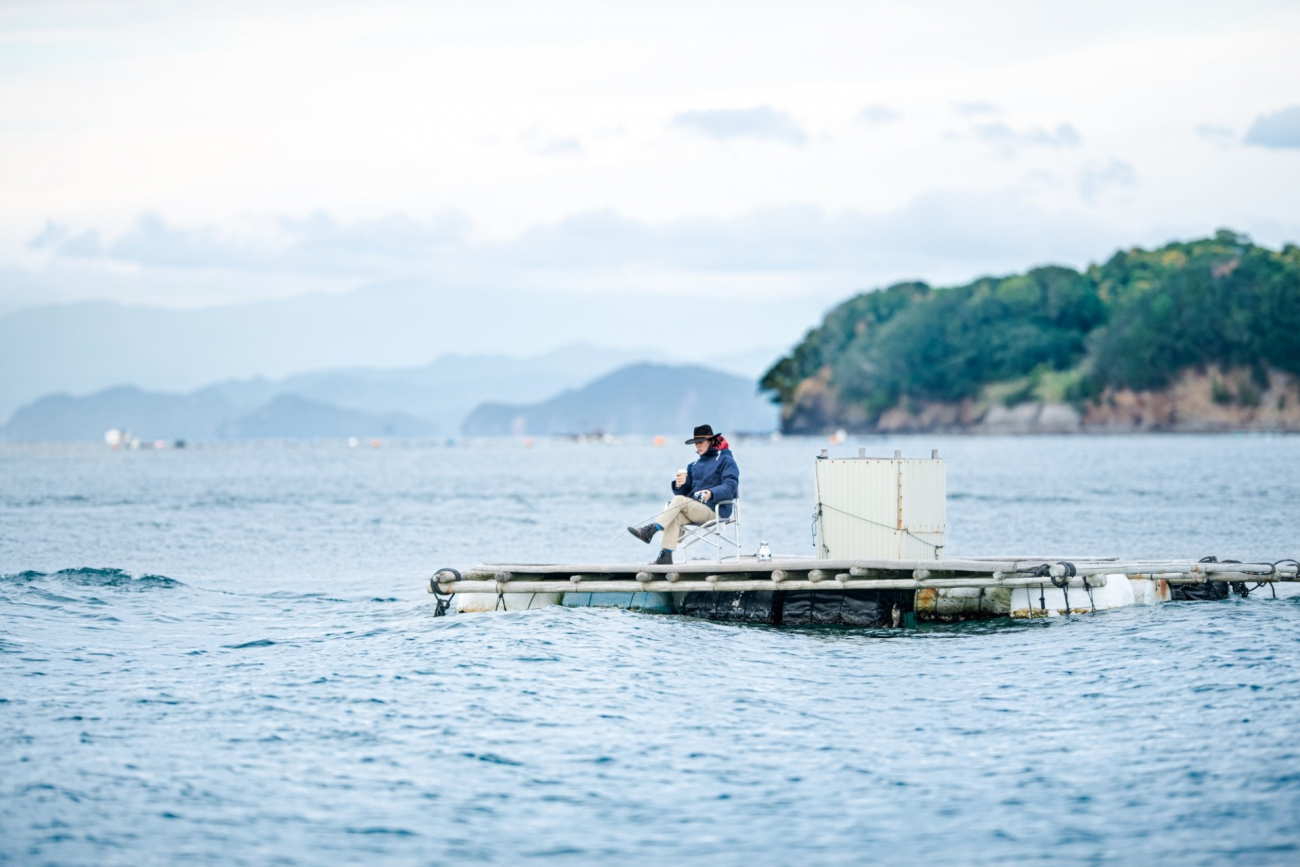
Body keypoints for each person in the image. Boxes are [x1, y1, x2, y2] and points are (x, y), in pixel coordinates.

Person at [628, 424, 739, 565]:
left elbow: (730, 487)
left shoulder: (725, 460)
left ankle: (651, 530)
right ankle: (665, 557)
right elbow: (685, 493)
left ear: (711, 441)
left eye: (701, 442)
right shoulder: (693, 465)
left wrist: (710, 493)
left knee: (678, 502)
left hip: (716, 510)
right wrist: (679, 485)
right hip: (695, 508)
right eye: (696, 443)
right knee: (675, 514)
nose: (698, 446)